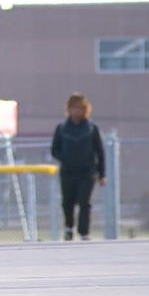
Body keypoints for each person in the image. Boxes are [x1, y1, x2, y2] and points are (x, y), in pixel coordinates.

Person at [50, 93, 106, 240]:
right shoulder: (62, 129)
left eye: (80, 108)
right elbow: (54, 149)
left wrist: (101, 174)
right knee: (67, 201)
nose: (77, 111)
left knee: (84, 201)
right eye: (74, 108)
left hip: (87, 172)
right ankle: (69, 227)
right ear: (69, 109)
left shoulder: (91, 129)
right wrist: (65, 158)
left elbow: (100, 152)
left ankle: (84, 232)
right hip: (68, 171)